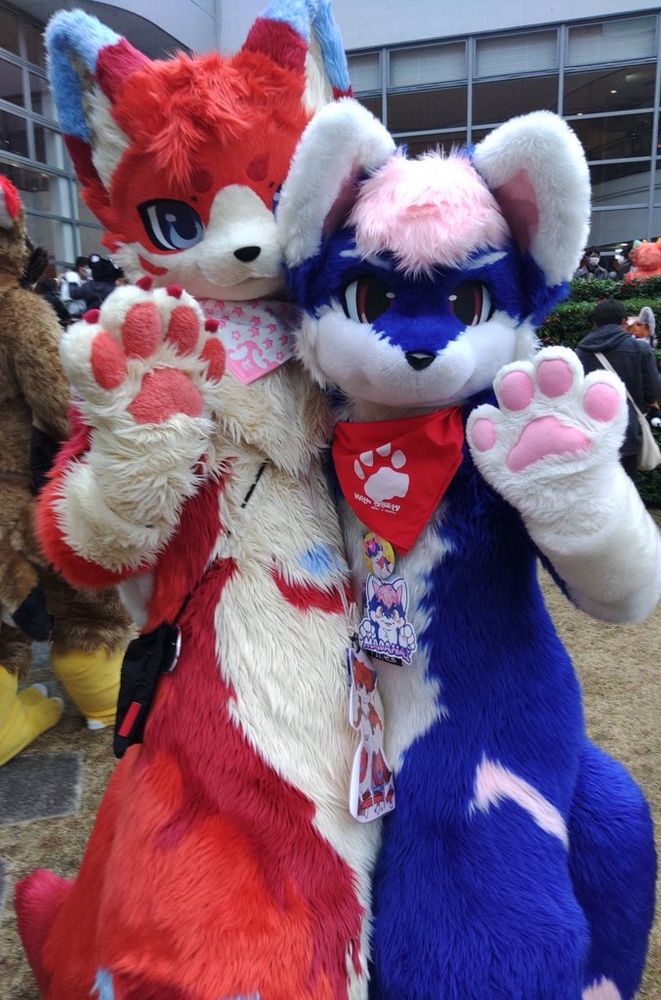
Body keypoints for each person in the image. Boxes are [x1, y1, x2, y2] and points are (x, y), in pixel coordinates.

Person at [576, 298, 661, 480]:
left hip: (592, 435)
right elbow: (653, 391)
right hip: (628, 432)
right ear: (624, 321)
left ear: (595, 323)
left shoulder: (581, 353)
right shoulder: (640, 349)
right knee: (626, 488)